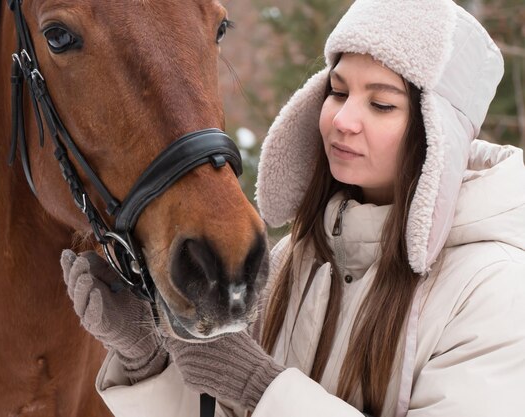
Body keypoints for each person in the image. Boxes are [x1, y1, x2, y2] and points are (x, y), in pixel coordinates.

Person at [60, 0, 525, 416]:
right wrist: (147, 360)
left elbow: (252, 394)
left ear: (437, 132)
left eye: (381, 104)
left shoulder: (495, 289)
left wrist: (261, 387)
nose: (343, 120)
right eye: (339, 92)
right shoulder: (291, 263)